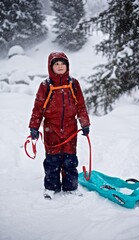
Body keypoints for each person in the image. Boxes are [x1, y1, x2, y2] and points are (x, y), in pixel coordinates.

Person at [29, 52, 90, 199]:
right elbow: (38, 108)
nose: (60, 66)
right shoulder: (45, 86)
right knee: (52, 160)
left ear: (67, 66)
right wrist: (34, 127)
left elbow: (81, 105)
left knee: (70, 159)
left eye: (63, 63)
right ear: (51, 67)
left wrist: (85, 123)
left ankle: (71, 187)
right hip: (51, 128)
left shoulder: (73, 84)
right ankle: (51, 187)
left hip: (70, 127)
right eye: (56, 64)